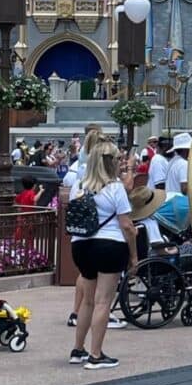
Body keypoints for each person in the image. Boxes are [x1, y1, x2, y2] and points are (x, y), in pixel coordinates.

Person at [68, 139, 138, 370]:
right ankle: (96, 355)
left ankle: (78, 349)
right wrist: (134, 256)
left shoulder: (78, 186)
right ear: (110, 162)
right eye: (118, 159)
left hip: (81, 245)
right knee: (103, 302)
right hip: (109, 245)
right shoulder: (115, 187)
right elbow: (126, 225)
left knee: (87, 300)